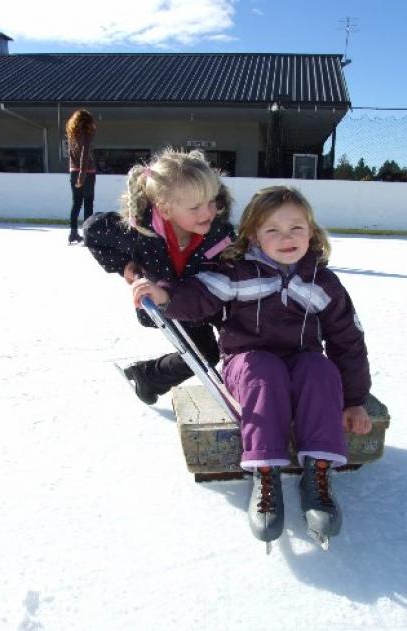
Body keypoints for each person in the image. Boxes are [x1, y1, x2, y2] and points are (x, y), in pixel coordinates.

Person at [131, 185, 372, 548]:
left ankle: (317, 475)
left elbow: (348, 342)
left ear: (311, 231)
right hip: (247, 362)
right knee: (264, 371)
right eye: (272, 230)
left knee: (320, 369)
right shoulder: (237, 274)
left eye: (296, 228)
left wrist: (354, 400)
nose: (286, 238)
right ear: (254, 235)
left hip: (300, 360)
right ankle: (265, 472)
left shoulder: (324, 284)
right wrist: (165, 296)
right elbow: (200, 296)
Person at [83, 148, 235, 403]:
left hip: (208, 300)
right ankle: (148, 377)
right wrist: (124, 265)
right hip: (168, 303)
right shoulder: (139, 232)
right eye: (196, 206)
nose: (208, 212)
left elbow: (242, 258)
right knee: (205, 354)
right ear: (165, 210)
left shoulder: (219, 233)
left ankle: (148, 377)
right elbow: (92, 232)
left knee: (238, 340)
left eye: (212, 201)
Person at [65, 109, 97, 244]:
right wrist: (82, 175)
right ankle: (88, 236)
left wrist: (77, 174)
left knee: (76, 203)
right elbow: (84, 154)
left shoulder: (72, 135)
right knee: (88, 204)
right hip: (87, 173)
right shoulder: (87, 134)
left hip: (73, 171)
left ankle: (73, 234)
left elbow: (72, 155)